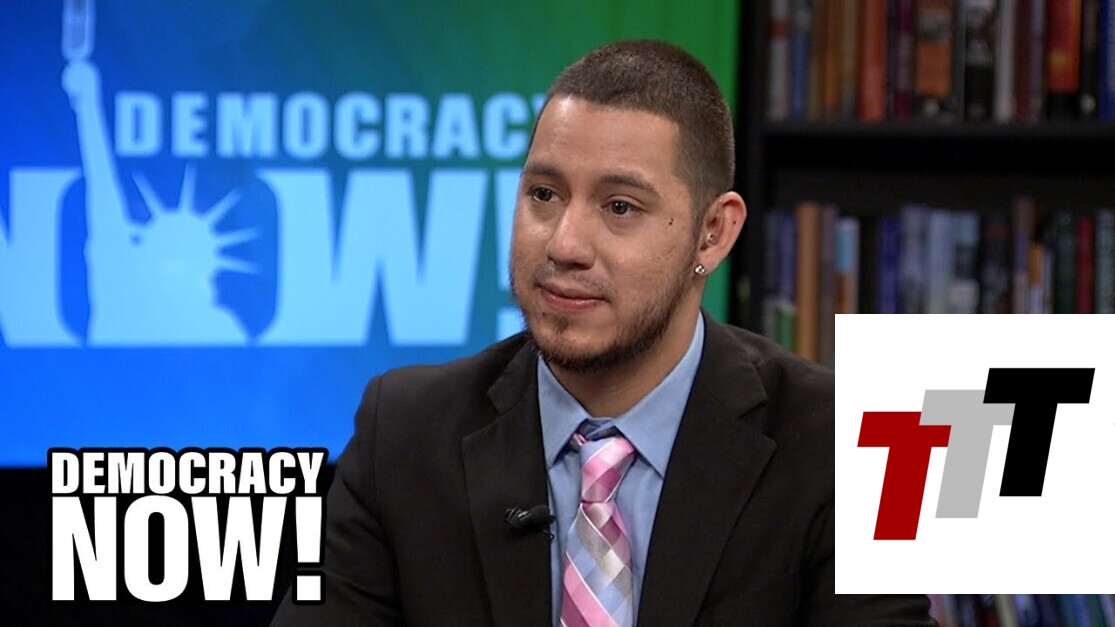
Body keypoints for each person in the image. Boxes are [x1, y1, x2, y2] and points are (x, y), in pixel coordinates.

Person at [272, 40, 933, 626]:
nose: (564, 244)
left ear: (713, 232)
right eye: (543, 194)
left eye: (619, 206)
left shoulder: (845, 441)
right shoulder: (402, 434)